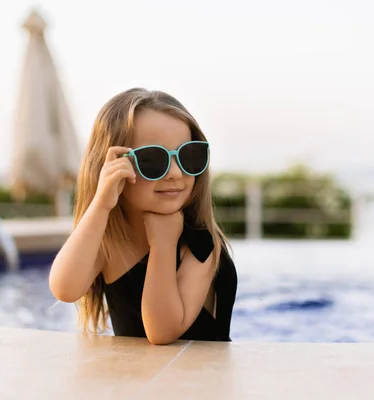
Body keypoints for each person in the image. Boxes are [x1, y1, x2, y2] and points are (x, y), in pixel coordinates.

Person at [49, 88, 238, 345]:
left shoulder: (201, 244)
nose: (174, 173)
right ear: (113, 167)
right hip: (132, 381)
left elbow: (162, 333)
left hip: (202, 379)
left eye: (188, 156)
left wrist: (163, 245)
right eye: (152, 160)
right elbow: (64, 289)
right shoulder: (109, 242)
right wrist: (101, 204)